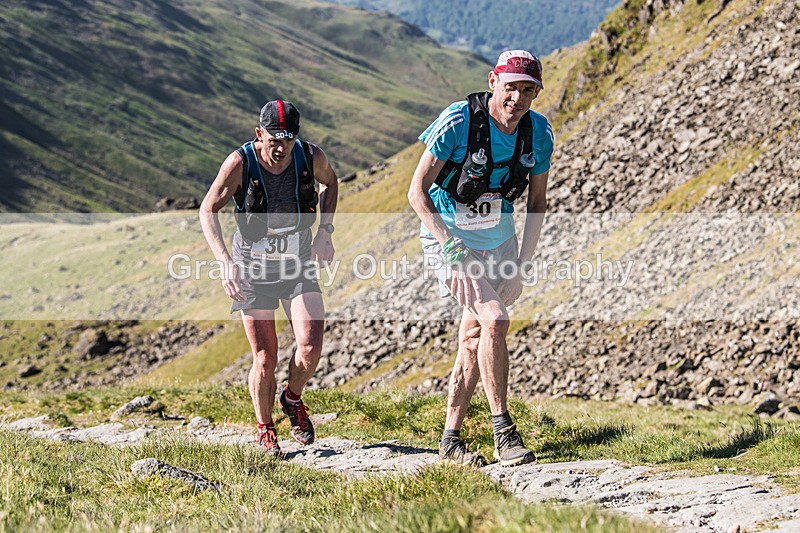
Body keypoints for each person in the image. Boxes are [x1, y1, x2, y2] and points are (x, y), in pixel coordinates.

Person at [408, 50, 553, 467]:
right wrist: (450, 251)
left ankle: (450, 440)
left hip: (499, 238)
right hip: (449, 237)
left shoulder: (539, 133)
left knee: (475, 338)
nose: (518, 99)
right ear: (493, 81)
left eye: (528, 90)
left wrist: (523, 264)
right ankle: (503, 432)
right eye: (511, 87)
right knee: (496, 320)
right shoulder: (457, 121)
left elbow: (538, 203)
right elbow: (416, 192)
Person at [200, 100, 338, 457]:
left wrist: (326, 230)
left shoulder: (311, 156)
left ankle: (292, 399)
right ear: (259, 134)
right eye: (274, 140)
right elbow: (208, 209)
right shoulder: (240, 163)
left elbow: (331, 183)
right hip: (252, 269)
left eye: (288, 141)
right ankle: (265, 428)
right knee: (265, 357)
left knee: (310, 344)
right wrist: (224, 262)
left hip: (297, 263)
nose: (280, 149)